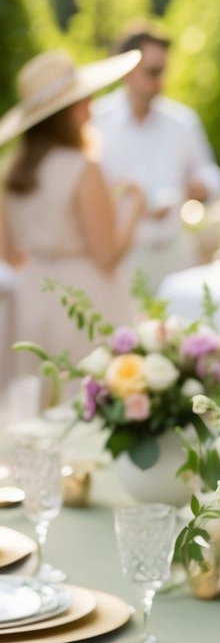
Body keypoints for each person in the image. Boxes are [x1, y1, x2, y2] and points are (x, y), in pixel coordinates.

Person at [0, 48, 145, 411]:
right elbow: (107, 255)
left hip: (34, 293)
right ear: (63, 114)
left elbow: (10, 253)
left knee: (41, 403)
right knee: (90, 400)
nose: (91, 107)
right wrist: (134, 208)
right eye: (82, 101)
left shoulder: (11, 171)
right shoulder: (82, 167)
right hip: (86, 296)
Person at [92, 22, 220, 290]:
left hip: (174, 251)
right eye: (152, 72)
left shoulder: (183, 121)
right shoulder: (97, 121)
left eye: (163, 71)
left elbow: (211, 173)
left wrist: (201, 184)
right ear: (127, 71)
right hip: (121, 255)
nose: (160, 81)